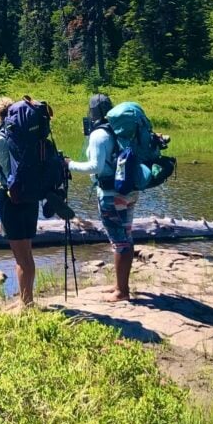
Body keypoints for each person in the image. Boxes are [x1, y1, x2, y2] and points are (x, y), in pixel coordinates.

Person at [65, 93, 138, 302]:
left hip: (110, 195)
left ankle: (122, 292)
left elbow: (95, 167)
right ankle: (120, 285)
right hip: (129, 192)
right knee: (126, 237)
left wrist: (68, 164)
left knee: (118, 241)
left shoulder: (99, 135)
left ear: (93, 111)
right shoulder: (120, 129)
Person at [0, 96, 38, 308]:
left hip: (9, 196)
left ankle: (26, 303)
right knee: (27, 252)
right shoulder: (29, 135)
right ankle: (28, 298)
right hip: (31, 193)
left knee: (19, 256)